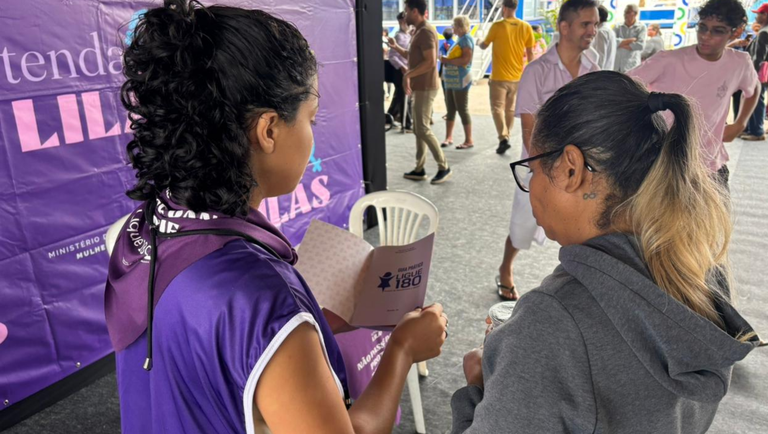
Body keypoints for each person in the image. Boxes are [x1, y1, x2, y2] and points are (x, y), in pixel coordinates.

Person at [105, 2, 448, 433]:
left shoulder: (144, 228)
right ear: (268, 130)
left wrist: (312, 326)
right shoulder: (265, 302)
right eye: (310, 119)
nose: (312, 135)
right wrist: (401, 350)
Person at [451, 69, 762, 434]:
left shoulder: (552, 324)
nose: (530, 185)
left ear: (571, 169)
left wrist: (477, 388)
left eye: (532, 169)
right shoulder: (698, 269)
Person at [494, 0, 600, 301]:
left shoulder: (593, 70)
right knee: (522, 226)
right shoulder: (537, 71)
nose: (592, 31)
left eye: (595, 24)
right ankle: (505, 268)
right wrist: (552, 172)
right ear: (564, 27)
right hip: (539, 167)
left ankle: (575, 287)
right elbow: (530, 130)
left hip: (582, 168)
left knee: (582, 230)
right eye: (585, 24)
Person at [628, 0, 760, 186]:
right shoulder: (669, 60)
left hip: (710, 166)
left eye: (717, 31)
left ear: (736, 32)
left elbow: (754, 88)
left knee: (715, 206)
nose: (705, 36)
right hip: (663, 165)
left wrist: (741, 123)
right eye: (702, 27)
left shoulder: (739, 63)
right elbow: (621, 85)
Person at [389, 0, 453, 184]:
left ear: (415, 11)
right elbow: (413, 56)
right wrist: (396, 47)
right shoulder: (418, 31)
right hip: (420, 86)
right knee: (419, 128)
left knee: (422, 128)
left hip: (426, 86)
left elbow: (430, 61)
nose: (404, 14)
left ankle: (444, 166)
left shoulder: (425, 32)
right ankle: (419, 168)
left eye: (407, 10)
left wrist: (408, 75)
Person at [478, 0, 535, 155]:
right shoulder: (525, 27)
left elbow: (484, 45)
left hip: (498, 77)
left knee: (497, 108)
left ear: (503, 8)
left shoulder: (497, 26)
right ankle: (506, 136)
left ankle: (503, 137)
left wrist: (478, 41)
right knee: (509, 108)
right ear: (516, 7)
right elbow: (530, 54)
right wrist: (530, 75)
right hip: (517, 77)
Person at [441, 15, 475, 150]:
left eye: (454, 25)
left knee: (462, 108)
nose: (452, 28)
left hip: (461, 79)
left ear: (460, 26)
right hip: (453, 79)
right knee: (450, 109)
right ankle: (448, 137)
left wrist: (447, 60)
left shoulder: (466, 40)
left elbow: (466, 60)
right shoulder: (460, 39)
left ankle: (469, 140)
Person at [743, 4, 768, 141]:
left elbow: (759, 56)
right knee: (757, 99)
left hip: (758, 72)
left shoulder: (764, 32)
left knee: (757, 100)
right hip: (762, 72)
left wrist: (752, 73)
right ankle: (753, 129)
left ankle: (757, 132)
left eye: (759, 13)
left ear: (765, 15)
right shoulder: (763, 31)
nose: (756, 16)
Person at [387, 12, 413, 130]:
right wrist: (402, 67)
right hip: (400, 71)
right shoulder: (398, 36)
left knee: (399, 96)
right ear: (401, 22)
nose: (408, 24)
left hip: (409, 70)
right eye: (405, 21)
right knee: (404, 96)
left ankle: (389, 117)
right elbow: (392, 56)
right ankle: (406, 123)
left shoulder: (409, 35)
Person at [613, 4, 646, 72]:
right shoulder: (618, 26)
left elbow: (640, 45)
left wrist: (620, 44)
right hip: (617, 64)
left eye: (628, 12)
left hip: (632, 64)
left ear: (635, 14)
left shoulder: (641, 27)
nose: (625, 15)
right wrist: (629, 41)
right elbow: (612, 42)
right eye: (625, 12)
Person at [593, 5, 617, 70]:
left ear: (598, 17)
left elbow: (600, 59)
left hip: (601, 73)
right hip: (608, 71)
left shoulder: (601, 32)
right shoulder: (610, 31)